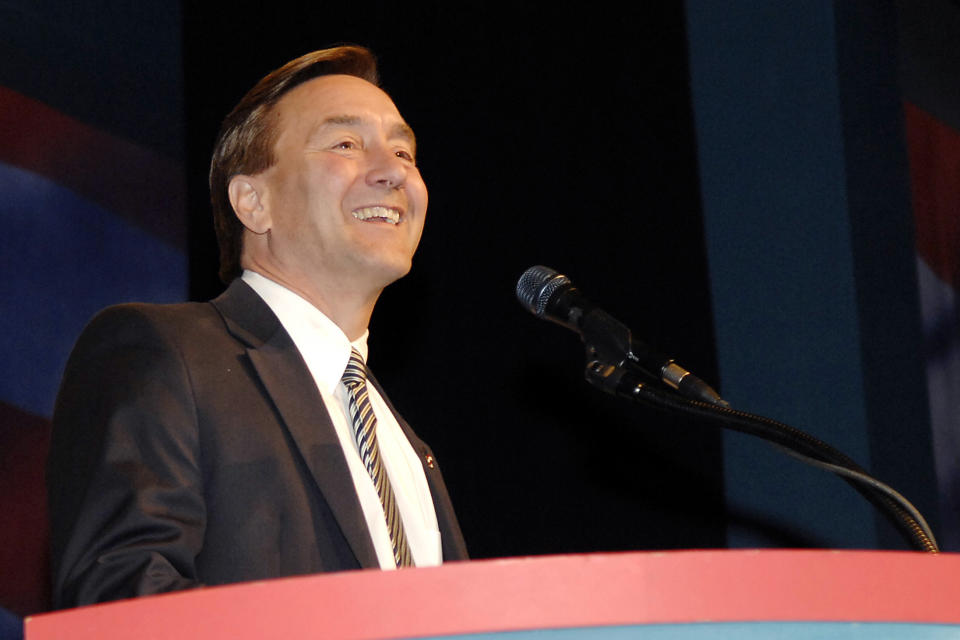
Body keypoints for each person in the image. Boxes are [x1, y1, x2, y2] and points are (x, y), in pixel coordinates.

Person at [47, 45, 468, 609]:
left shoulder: (407, 447)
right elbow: (121, 602)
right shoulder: (163, 353)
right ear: (253, 201)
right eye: (346, 144)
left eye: (403, 151)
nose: (394, 172)